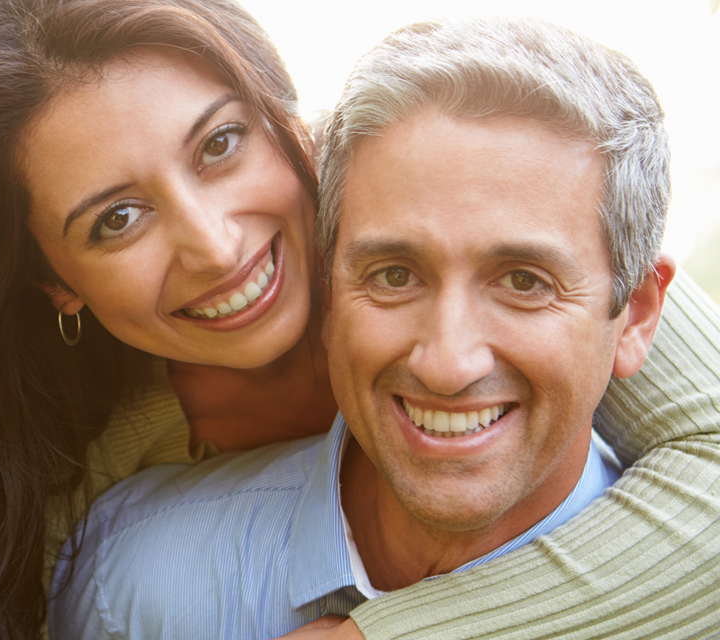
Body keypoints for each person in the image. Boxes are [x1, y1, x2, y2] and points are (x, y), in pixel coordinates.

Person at [0, 0, 720, 638]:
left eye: (220, 143)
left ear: (287, 119)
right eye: (118, 219)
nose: (215, 243)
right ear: (53, 282)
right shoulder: (85, 494)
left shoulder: (457, 203)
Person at [49, 18, 686, 638]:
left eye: (523, 281)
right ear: (329, 295)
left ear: (636, 314)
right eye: (394, 275)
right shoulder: (128, 588)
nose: (447, 364)